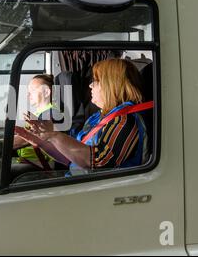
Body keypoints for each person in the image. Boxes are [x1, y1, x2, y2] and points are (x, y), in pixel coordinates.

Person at [20, 58, 149, 175]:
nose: (90, 85)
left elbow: (99, 161)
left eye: (95, 81)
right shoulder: (98, 117)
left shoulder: (125, 120)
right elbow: (71, 158)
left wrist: (54, 135)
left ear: (111, 85)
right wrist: (40, 141)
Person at [13, 74, 62, 169]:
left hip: (40, 163)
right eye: (28, 91)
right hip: (28, 159)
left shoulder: (51, 113)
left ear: (46, 92)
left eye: (32, 91)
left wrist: (0, 145)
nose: (28, 95)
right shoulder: (40, 113)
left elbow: (24, 140)